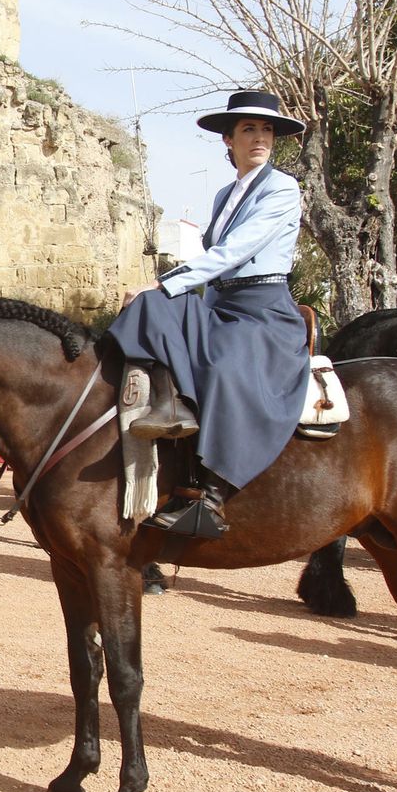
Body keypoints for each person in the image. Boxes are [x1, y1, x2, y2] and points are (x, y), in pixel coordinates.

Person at [106, 90, 309, 538]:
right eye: (249, 129)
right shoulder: (223, 194)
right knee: (149, 309)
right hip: (222, 303)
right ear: (229, 140)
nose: (260, 138)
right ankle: (166, 405)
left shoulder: (282, 187)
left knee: (224, 364)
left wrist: (166, 282)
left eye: (268, 130)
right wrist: (164, 296)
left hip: (264, 310)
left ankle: (213, 495)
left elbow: (236, 251)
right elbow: (214, 262)